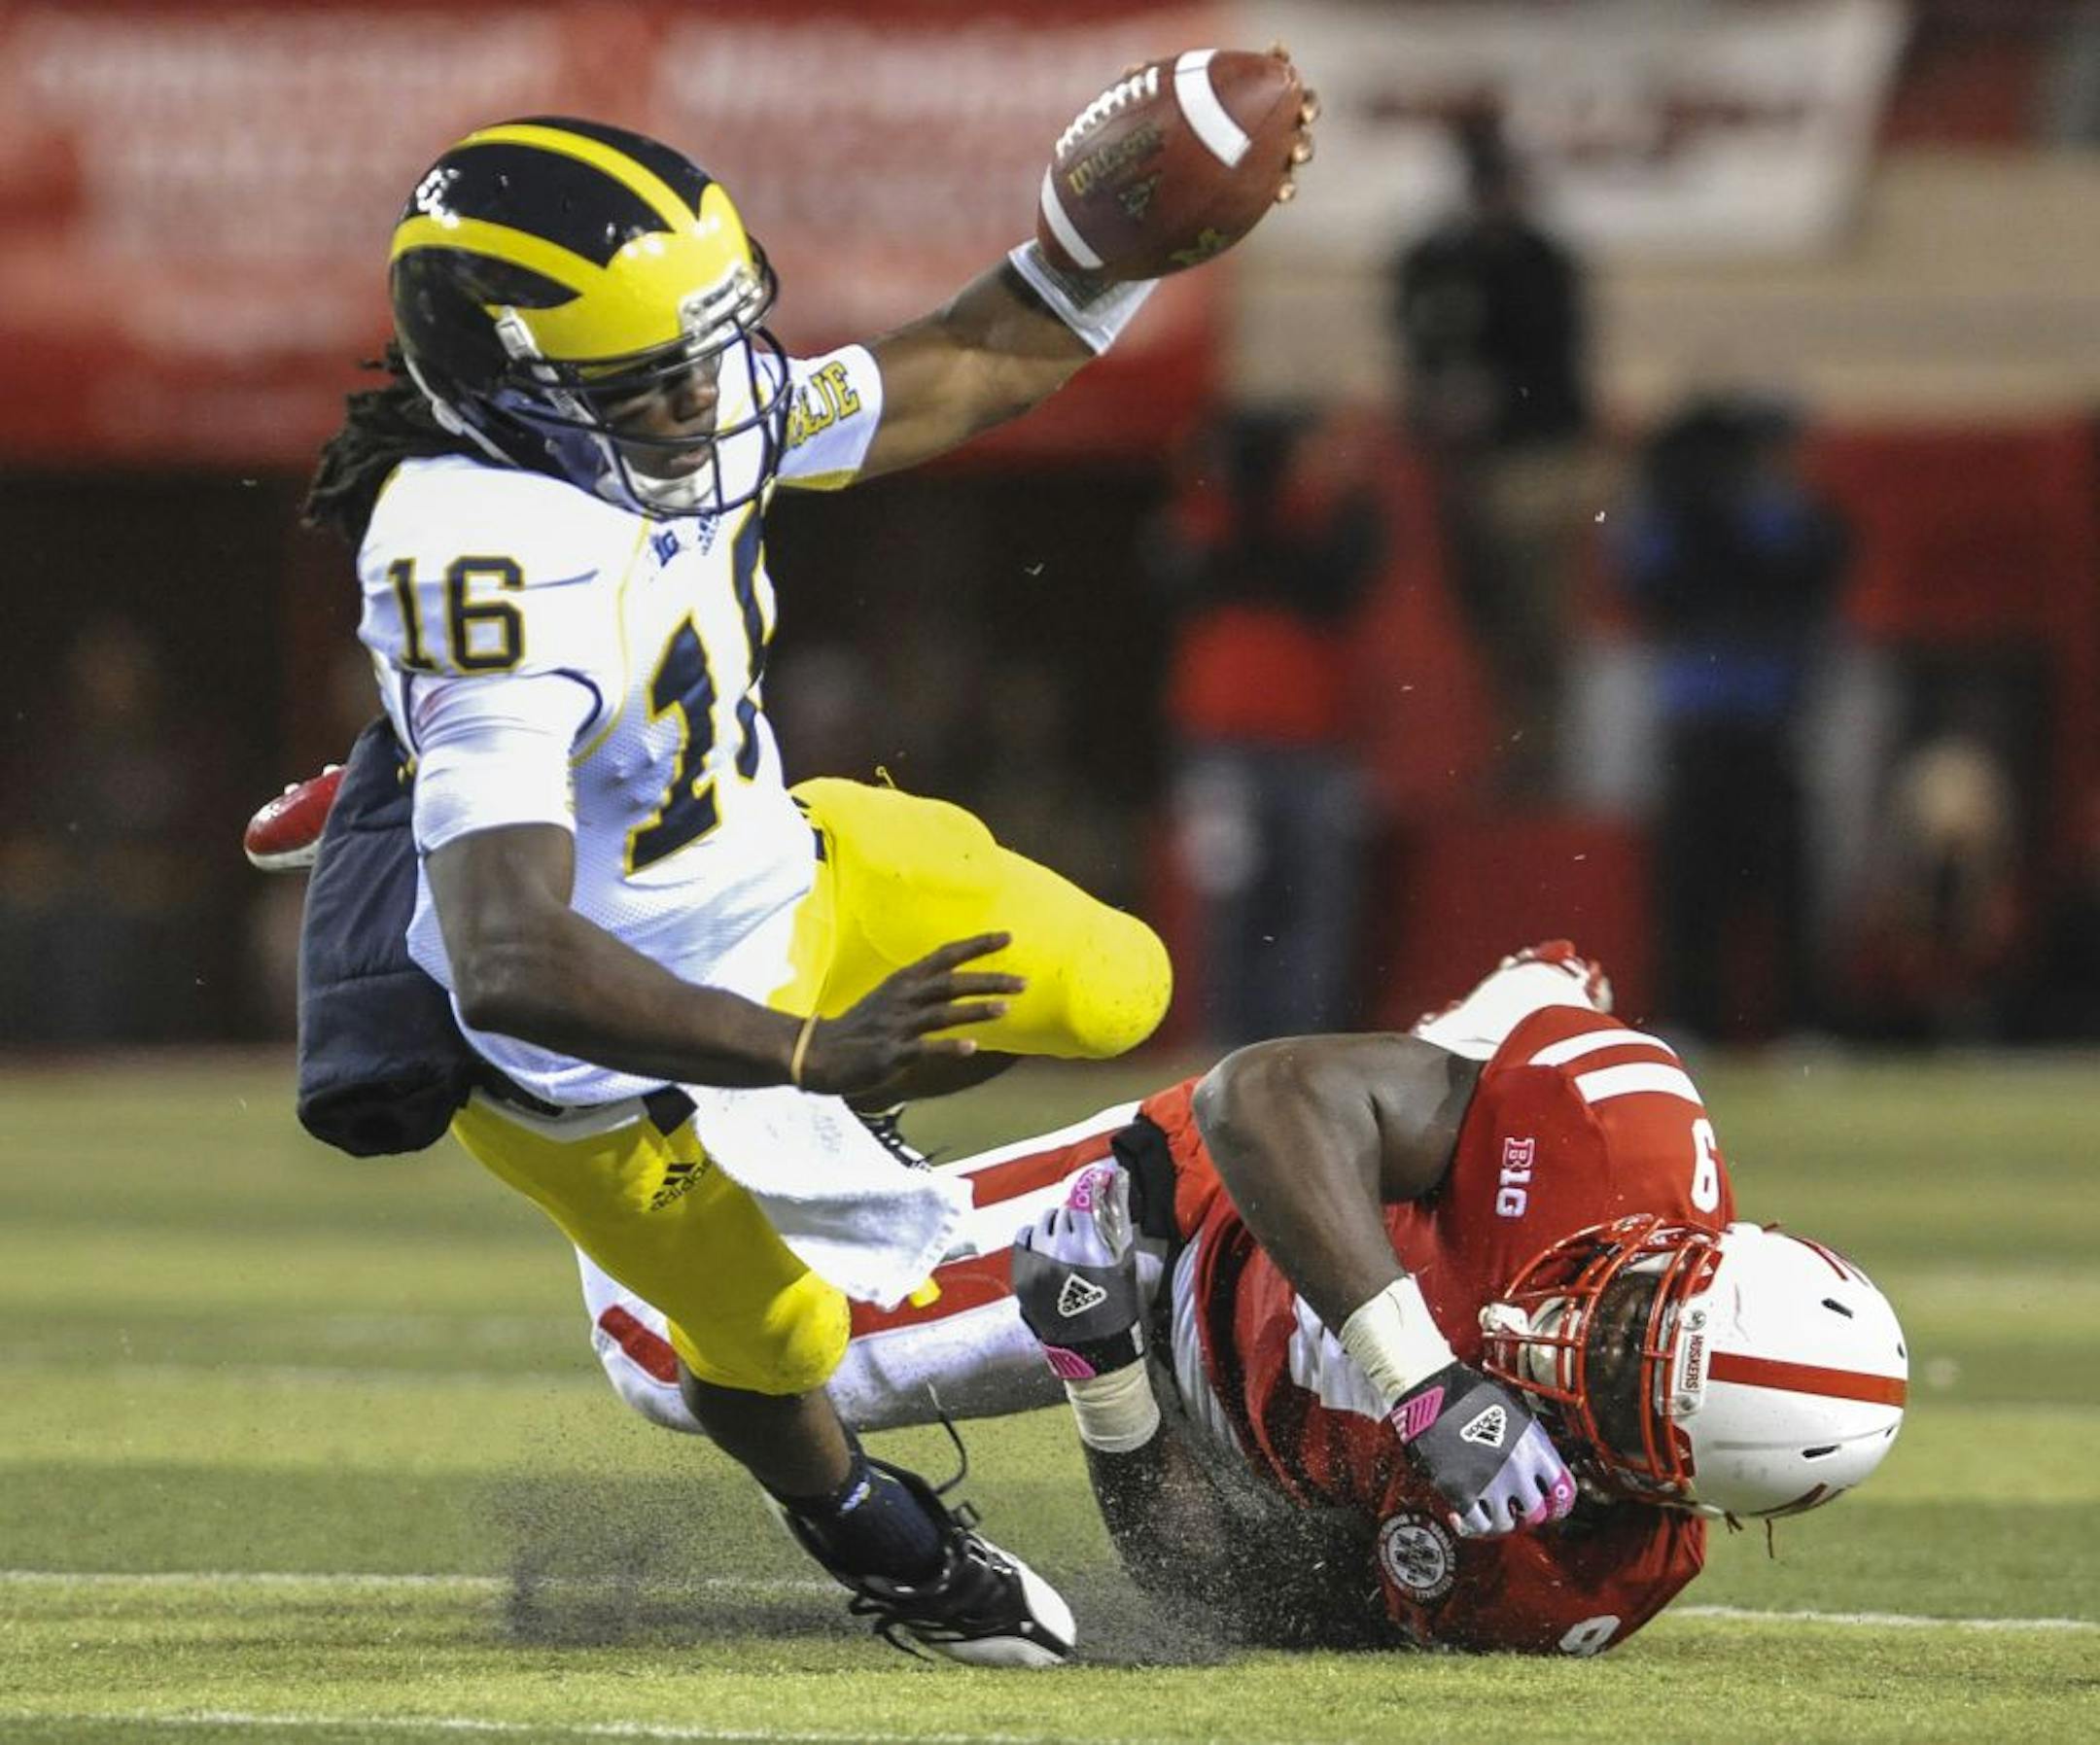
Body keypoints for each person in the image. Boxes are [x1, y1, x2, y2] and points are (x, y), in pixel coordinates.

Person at [287, 108, 1312, 1666]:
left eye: (715, 350)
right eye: (654, 380)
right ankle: (871, 1537)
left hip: (787, 866)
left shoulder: (666, 395)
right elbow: (507, 956)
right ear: (507, 392)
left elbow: (959, 362)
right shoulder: (477, 550)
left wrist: (1101, 261)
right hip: (583, 1061)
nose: (710, 399)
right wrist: (807, 1058)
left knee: (1125, 985)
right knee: (780, 1336)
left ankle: (404, 771)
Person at [582, 943, 1908, 1656]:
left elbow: (1233, 1596)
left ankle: (673, 1094)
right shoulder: (1605, 1141)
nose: (1586, 1336)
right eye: (1637, 1303)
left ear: (1665, 1488)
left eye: (1619, 1384)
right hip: (1208, 1210)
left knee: (663, 1365)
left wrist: (1101, 1380)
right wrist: (1425, 1374)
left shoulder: (1569, 1573)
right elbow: (1261, 1093)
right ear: (1701, 1241)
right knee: (676, 1338)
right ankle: (655, 1030)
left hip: (1181, 1359)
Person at [1616, 395, 1849, 1039]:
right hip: (1699, 726)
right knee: (1691, 884)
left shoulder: (1792, 519)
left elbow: (1805, 565)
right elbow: (1646, 579)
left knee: (1785, 883)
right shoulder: (1677, 515)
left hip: (1771, 724)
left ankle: (1801, 1019)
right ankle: (1692, 1015)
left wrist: (1731, 515)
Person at [1149, 407, 1384, 1047]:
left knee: (1314, 905)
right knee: (1230, 900)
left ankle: (1300, 1043)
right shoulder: (1219, 513)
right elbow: (1190, 575)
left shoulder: (1336, 519)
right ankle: (1227, 1042)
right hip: (1226, 739)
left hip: (1315, 740)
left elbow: (1335, 580)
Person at [1391, 112, 1594, 799]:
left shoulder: (1542, 265)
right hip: (1457, 468)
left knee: (1534, 621)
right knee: (1473, 614)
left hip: (1531, 461)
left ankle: (1539, 760)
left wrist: (1495, 401)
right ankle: (1495, 752)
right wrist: (1436, 403)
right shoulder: (1435, 261)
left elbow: (1560, 372)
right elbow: (1412, 347)